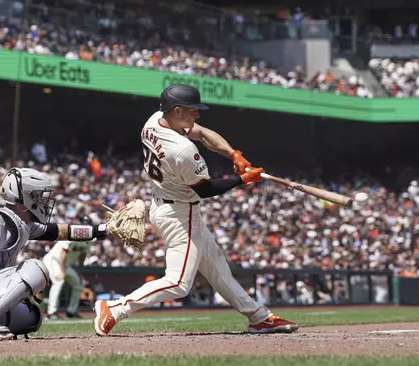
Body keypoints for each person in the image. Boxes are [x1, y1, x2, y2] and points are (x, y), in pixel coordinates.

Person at [94, 84, 299, 335]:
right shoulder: (182, 150)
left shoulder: (155, 119)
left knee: (218, 270)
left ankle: (258, 317)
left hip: (165, 204)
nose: (197, 115)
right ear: (178, 111)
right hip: (180, 214)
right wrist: (243, 180)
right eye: (193, 110)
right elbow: (206, 190)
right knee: (178, 283)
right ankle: (115, 308)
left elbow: (201, 133)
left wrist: (234, 155)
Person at [0, 167, 144, 340]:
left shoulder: (20, 223)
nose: (45, 201)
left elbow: (59, 231)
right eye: (38, 196)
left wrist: (102, 231)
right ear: (22, 200)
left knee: (32, 317)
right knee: (37, 268)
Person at [42, 241, 88, 320]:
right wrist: (62, 271)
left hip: (64, 264)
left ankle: (71, 312)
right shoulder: (72, 234)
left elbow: (83, 255)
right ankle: (51, 312)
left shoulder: (87, 237)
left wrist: (80, 272)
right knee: (58, 282)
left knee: (79, 283)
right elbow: (63, 254)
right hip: (53, 260)